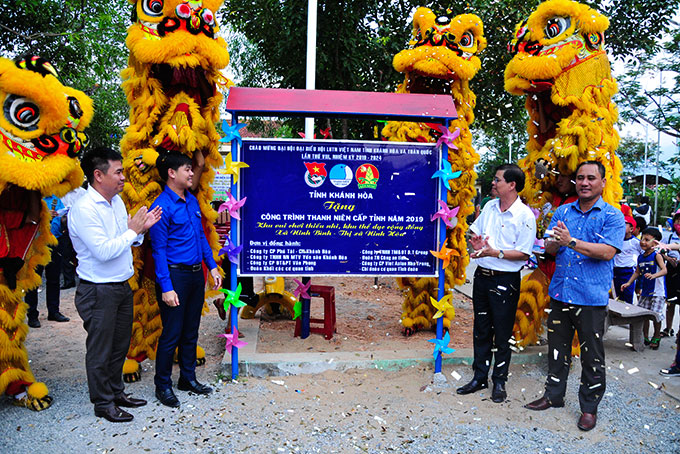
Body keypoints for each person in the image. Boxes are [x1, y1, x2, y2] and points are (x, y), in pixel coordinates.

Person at [525, 161, 625, 432]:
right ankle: (553, 396)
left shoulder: (612, 216)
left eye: (591, 178)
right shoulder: (562, 211)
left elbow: (607, 252)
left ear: (603, 182)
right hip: (561, 293)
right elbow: (550, 248)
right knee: (557, 350)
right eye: (580, 178)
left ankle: (589, 408)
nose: (584, 183)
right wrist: (551, 243)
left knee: (592, 356)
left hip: (591, 298)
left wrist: (570, 241)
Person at [69, 147, 161, 423]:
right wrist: (133, 230)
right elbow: (104, 251)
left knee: (120, 345)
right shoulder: (84, 209)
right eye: (118, 172)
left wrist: (139, 231)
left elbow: (125, 240)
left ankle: (116, 392)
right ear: (98, 175)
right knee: (101, 349)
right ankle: (103, 403)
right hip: (98, 289)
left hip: (121, 285)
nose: (123, 177)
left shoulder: (116, 202)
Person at [456, 164, 536, 403]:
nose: (493, 182)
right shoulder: (490, 207)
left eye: (497, 179)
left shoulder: (525, 216)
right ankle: (479, 376)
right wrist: (477, 243)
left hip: (505, 281)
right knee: (481, 329)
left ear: (512, 185)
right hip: (482, 277)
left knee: (502, 332)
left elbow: (524, 253)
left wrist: (496, 253)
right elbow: (476, 233)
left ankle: (499, 380)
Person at [149, 151, 222, 408]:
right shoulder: (161, 207)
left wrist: (212, 267)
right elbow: (158, 250)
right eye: (187, 169)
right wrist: (166, 287)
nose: (192, 173)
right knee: (172, 333)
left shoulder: (191, 201)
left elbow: (201, 237)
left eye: (192, 169)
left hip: (194, 275)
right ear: (171, 173)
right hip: (175, 276)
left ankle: (187, 379)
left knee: (191, 330)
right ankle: (163, 386)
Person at [25, 195, 69, 327]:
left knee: (54, 279)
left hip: (54, 242)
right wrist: (44, 215)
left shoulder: (56, 200)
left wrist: (64, 217)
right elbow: (27, 218)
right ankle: (32, 315)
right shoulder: (32, 198)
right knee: (33, 281)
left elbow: (62, 218)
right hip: (36, 243)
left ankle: (54, 311)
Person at [621, 227, 667, 349]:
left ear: (655, 243)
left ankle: (656, 336)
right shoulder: (640, 257)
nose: (642, 242)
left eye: (647, 240)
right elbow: (637, 272)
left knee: (656, 316)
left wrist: (654, 275)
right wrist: (628, 283)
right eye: (642, 238)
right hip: (645, 292)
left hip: (657, 292)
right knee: (643, 315)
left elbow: (664, 270)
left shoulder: (657, 255)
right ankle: (645, 336)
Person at [60, 185, 87, 289]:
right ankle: (68, 280)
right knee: (66, 252)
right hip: (66, 224)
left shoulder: (82, 192)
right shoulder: (62, 192)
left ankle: (84, 277)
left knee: (80, 251)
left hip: (80, 224)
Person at [612, 216, 641, 304]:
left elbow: (644, 253)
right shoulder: (615, 240)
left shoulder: (635, 242)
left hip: (628, 271)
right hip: (616, 271)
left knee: (627, 294)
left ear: (631, 229)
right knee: (617, 295)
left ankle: (628, 310)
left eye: (624, 224)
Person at [661, 212, 680, 338]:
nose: (679, 223)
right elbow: (661, 250)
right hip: (672, 271)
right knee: (670, 302)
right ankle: (668, 328)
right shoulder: (669, 236)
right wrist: (668, 258)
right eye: (677, 220)